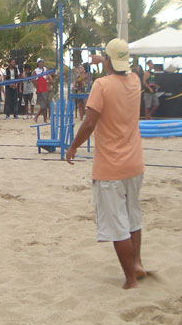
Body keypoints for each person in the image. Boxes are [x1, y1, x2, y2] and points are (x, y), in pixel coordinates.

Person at [65, 39, 147, 290]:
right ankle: (137, 264)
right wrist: (106, 61)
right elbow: (122, 71)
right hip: (135, 163)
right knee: (133, 217)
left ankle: (130, 280)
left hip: (110, 166)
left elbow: (89, 123)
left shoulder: (101, 85)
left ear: (108, 61)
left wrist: (73, 146)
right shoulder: (135, 81)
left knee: (117, 225)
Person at [33, 58, 52, 123]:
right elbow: (33, 80)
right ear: (37, 63)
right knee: (43, 105)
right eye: (39, 62)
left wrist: (49, 80)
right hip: (40, 89)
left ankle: (44, 119)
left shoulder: (45, 69)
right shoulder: (35, 71)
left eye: (42, 62)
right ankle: (38, 117)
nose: (41, 63)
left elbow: (49, 76)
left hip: (45, 88)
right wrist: (36, 88)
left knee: (45, 105)